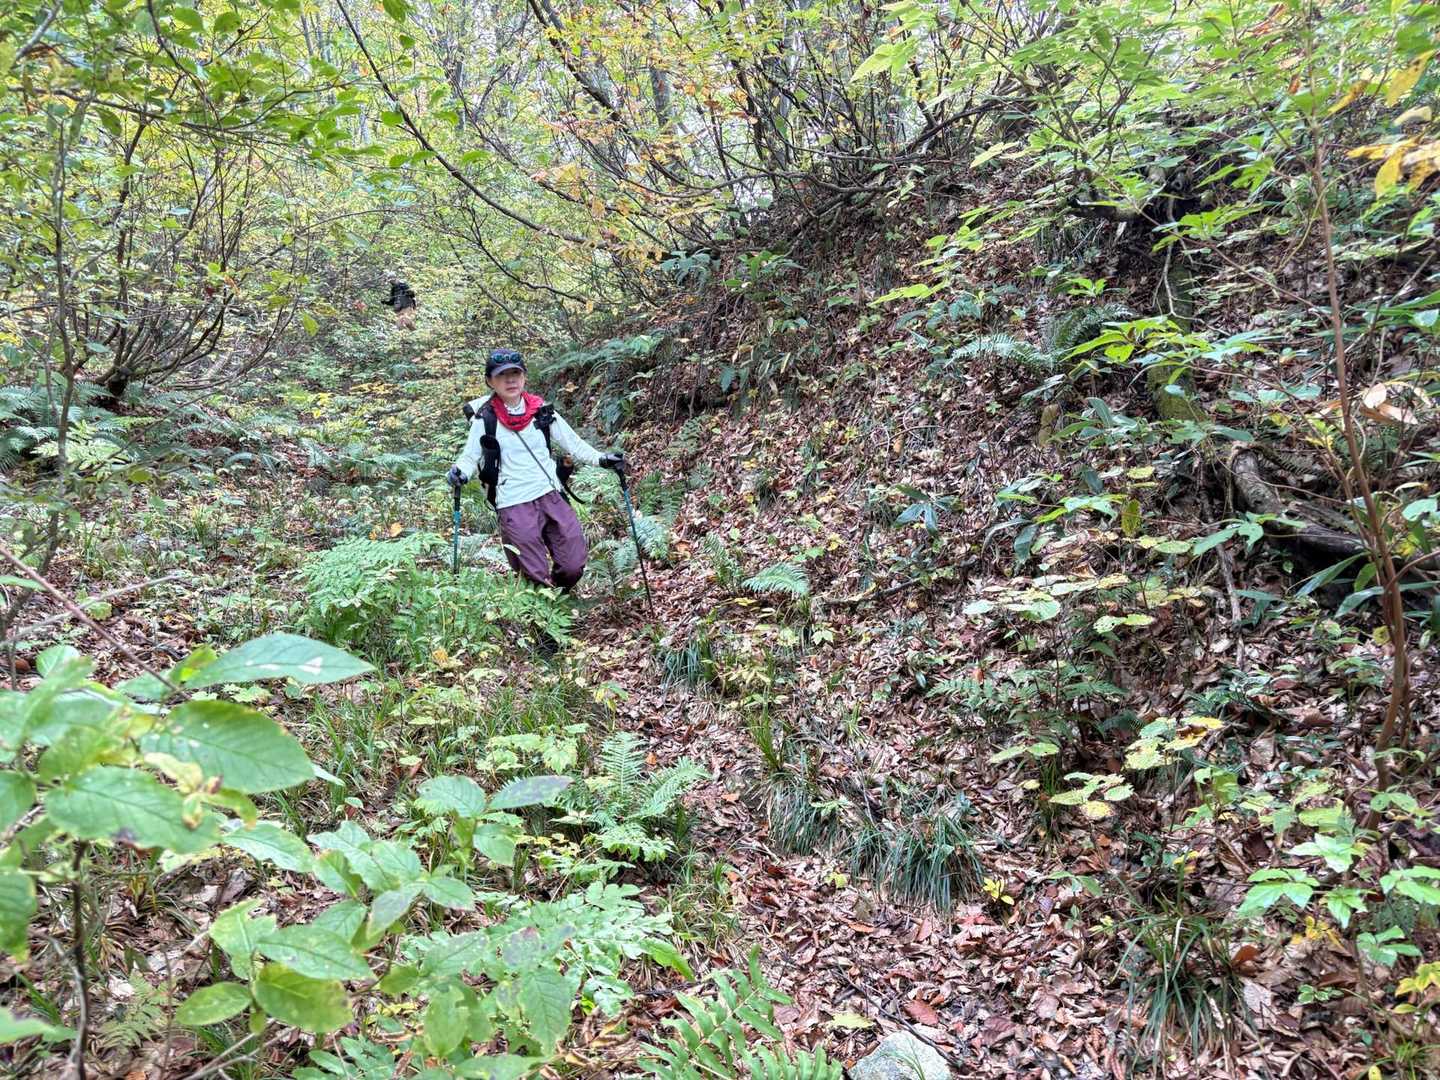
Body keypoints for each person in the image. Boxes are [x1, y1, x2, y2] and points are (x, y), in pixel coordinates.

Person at [448, 348, 625, 590]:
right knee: (533, 574)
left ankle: (560, 594)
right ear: (490, 381)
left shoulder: (541, 410)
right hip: (513, 502)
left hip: (550, 494)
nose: (510, 380)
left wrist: (601, 459)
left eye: (515, 373)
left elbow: (573, 443)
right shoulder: (485, 418)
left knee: (573, 564)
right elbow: (470, 457)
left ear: (524, 377)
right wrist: (459, 472)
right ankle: (547, 610)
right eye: (502, 375)